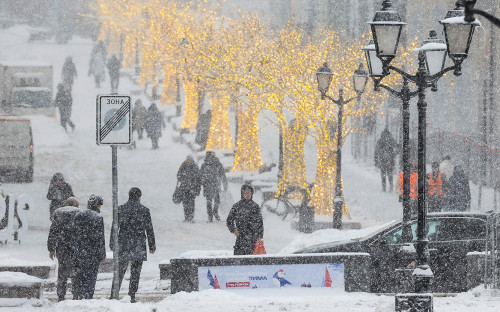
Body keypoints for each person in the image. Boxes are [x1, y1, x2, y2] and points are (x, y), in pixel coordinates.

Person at [110, 187, 155, 303]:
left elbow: (114, 228)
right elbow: (149, 229)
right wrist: (152, 245)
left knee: (119, 271)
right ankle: (131, 295)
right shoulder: (144, 210)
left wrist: (112, 243)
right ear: (139, 197)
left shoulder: (121, 209)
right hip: (138, 244)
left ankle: (114, 294)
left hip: (123, 243)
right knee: (136, 272)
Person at [73, 195, 106, 300]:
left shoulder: (78, 215)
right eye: (100, 205)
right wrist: (102, 255)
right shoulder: (97, 217)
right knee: (91, 278)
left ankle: (78, 295)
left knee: (79, 276)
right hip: (93, 253)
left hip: (79, 252)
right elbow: (100, 238)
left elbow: (74, 235)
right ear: (97, 205)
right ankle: (87, 297)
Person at [47, 197, 80, 301]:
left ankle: (61, 295)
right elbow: (82, 232)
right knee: (76, 272)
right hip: (76, 247)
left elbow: (53, 232)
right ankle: (76, 294)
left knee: (62, 272)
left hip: (62, 247)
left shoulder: (58, 213)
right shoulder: (79, 213)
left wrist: (51, 249)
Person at [226, 184, 264, 255]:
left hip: (253, 239)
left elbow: (260, 223)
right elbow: (229, 221)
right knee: (238, 261)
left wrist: (260, 236)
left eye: (249, 192)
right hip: (241, 238)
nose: (247, 194)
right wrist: (234, 230)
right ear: (242, 194)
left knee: (252, 262)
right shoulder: (237, 206)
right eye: (245, 192)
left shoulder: (255, 206)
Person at [201, 151, 228, 222]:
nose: (210, 158)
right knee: (209, 202)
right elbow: (200, 175)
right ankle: (210, 216)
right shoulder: (204, 165)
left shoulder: (218, 164)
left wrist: (225, 185)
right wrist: (201, 182)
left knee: (217, 201)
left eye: (211, 157)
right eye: (208, 157)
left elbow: (223, 175)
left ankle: (215, 212)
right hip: (207, 186)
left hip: (216, 186)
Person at [176, 155, 202, 222]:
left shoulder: (195, 167)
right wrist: (183, 179)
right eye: (188, 160)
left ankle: (191, 217)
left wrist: (197, 187)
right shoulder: (183, 166)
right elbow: (178, 175)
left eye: (190, 160)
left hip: (192, 189)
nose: (188, 161)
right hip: (184, 188)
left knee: (191, 203)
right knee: (185, 203)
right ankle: (186, 217)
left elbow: (199, 178)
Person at [374, 127, 399, 192]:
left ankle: (384, 188)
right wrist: (393, 155)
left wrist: (376, 161)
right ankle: (390, 187)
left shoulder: (380, 140)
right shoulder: (391, 140)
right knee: (390, 175)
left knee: (383, 175)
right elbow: (398, 148)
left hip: (382, 160)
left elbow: (376, 152)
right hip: (390, 161)